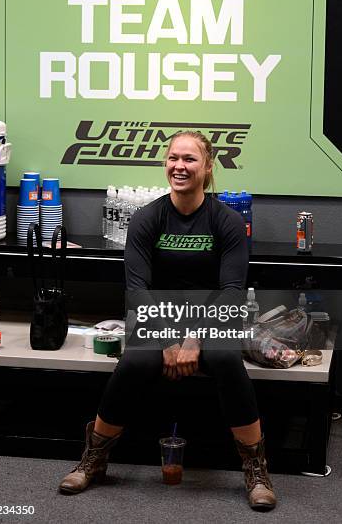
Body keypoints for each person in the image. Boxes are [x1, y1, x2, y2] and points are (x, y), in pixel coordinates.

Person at [59, 131, 277, 511]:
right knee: (134, 362)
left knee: (226, 361)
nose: (180, 166)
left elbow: (231, 290)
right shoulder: (147, 218)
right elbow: (137, 288)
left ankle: (256, 471)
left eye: (190, 159)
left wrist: (192, 340)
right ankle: (93, 459)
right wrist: (167, 341)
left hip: (211, 320)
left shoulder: (225, 221)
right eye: (174, 158)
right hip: (155, 318)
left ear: (208, 167)